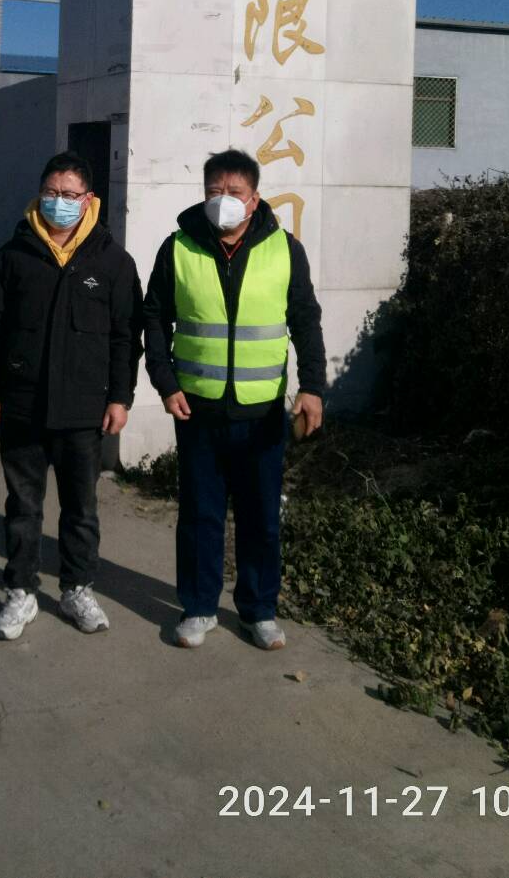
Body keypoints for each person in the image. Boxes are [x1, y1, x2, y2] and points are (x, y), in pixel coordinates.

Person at [143, 148, 325, 651]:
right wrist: (165, 382)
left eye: (234, 192)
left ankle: (258, 611)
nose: (223, 200)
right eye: (214, 191)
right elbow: (154, 317)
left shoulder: (285, 250)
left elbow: (305, 320)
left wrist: (312, 386)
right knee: (199, 514)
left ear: (255, 199)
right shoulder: (178, 248)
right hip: (197, 409)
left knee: (260, 516)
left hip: (262, 413)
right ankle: (199, 607)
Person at [0, 152, 142, 639]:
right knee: (23, 507)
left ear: (88, 200)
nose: (59, 202)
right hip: (22, 406)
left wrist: (120, 398)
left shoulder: (112, 262)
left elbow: (126, 336)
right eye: (51, 192)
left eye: (69, 194)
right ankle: (20, 592)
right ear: (39, 194)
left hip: (83, 409)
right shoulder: (13, 256)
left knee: (81, 508)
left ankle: (77, 589)